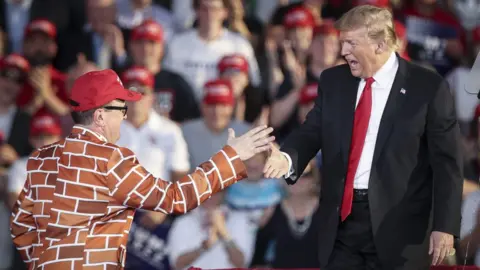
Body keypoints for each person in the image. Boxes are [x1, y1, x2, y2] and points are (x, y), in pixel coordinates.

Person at [10, 69, 275, 269]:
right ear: (100, 116)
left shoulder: (44, 158)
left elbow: (21, 225)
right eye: (120, 109)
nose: (125, 116)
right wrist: (232, 156)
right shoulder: (110, 161)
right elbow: (176, 198)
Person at [264, 5, 463, 270]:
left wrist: (445, 225)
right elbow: (312, 131)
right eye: (342, 43)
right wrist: (287, 158)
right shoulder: (334, 81)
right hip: (341, 225)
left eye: (351, 44)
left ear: (380, 45)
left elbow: (447, 163)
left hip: (402, 228)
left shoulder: (427, 86)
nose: (342, 51)